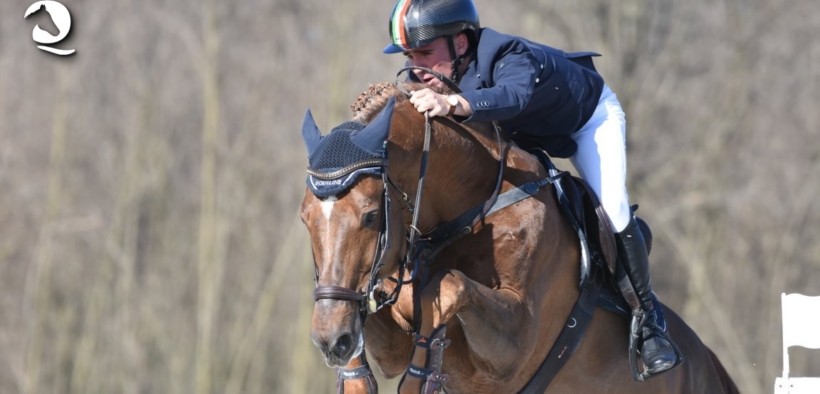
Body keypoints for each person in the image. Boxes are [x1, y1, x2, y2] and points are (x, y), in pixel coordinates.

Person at [382, 0, 681, 376]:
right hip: (527, 134)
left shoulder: (509, 53)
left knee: (614, 208)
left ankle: (649, 322)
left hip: (586, 119)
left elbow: (513, 98)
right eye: (410, 56)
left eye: (425, 53)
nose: (418, 67)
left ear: (460, 44)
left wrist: (452, 102)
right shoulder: (429, 79)